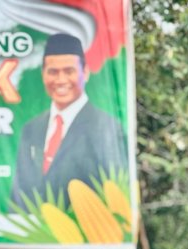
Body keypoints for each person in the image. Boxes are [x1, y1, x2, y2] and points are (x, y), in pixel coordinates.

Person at [11, 33, 127, 208]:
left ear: (85, 73)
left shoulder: (106, 127)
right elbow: (18, 197)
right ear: (43, 74)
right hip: (35, 232)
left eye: (69, 71)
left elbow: (117, 191)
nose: (61, 80)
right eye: (53, 72)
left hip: (85, 232)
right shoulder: (31, 129)